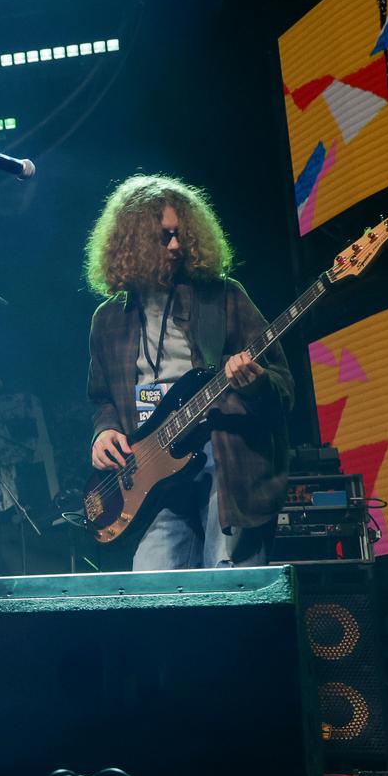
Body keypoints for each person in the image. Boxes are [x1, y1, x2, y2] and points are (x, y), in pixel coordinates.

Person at [84, 174, 293, 570]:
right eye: (164, 237)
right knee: (152, 590)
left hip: (225, 460)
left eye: (181, 234)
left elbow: (283, 384)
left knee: (228, 584)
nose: (176, 245)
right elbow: (102, 399)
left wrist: (256, 384)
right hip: (151, 473)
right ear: (133, 241)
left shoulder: (224, 296)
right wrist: (104, 431)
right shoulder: (107, 320)